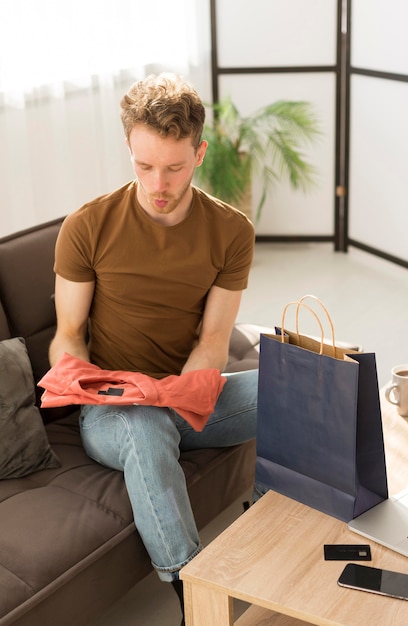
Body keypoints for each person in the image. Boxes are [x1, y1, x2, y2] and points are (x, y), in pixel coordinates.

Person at [49, 72, 258, 624]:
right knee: (144, 427)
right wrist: (81, 378)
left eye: (174, 167)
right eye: (144, 166)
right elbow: (68, 333)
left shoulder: (231, 231)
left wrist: (185, 392)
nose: (157, 184)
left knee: (304, 385)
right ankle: (197, 599)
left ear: (200, 152)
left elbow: (215, 339)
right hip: (116, 413)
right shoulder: (87, 227)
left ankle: (287, 538)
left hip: (189, 397)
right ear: (129, 148)